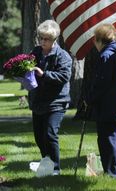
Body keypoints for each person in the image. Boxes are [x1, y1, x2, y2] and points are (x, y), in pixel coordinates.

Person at [85, 23, 116, 179]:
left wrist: (90, 99)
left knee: (108, 141)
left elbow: (101, 83)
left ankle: (112, 174)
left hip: (109, 106)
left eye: (95, 41)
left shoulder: (106, 56)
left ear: (99, 40)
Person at [30, 20, 72, 176]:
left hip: (56, 103)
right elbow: (28, 67)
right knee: (39, 137)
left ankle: (55, 169)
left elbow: (64, 76)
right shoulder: (36, 52)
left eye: (46, 39)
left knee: (49, 134)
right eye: (40, 38)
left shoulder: (63, 56)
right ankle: (46, 163)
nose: (42, 42)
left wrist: (44, 74)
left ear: (54, 40)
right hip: (38, 102)